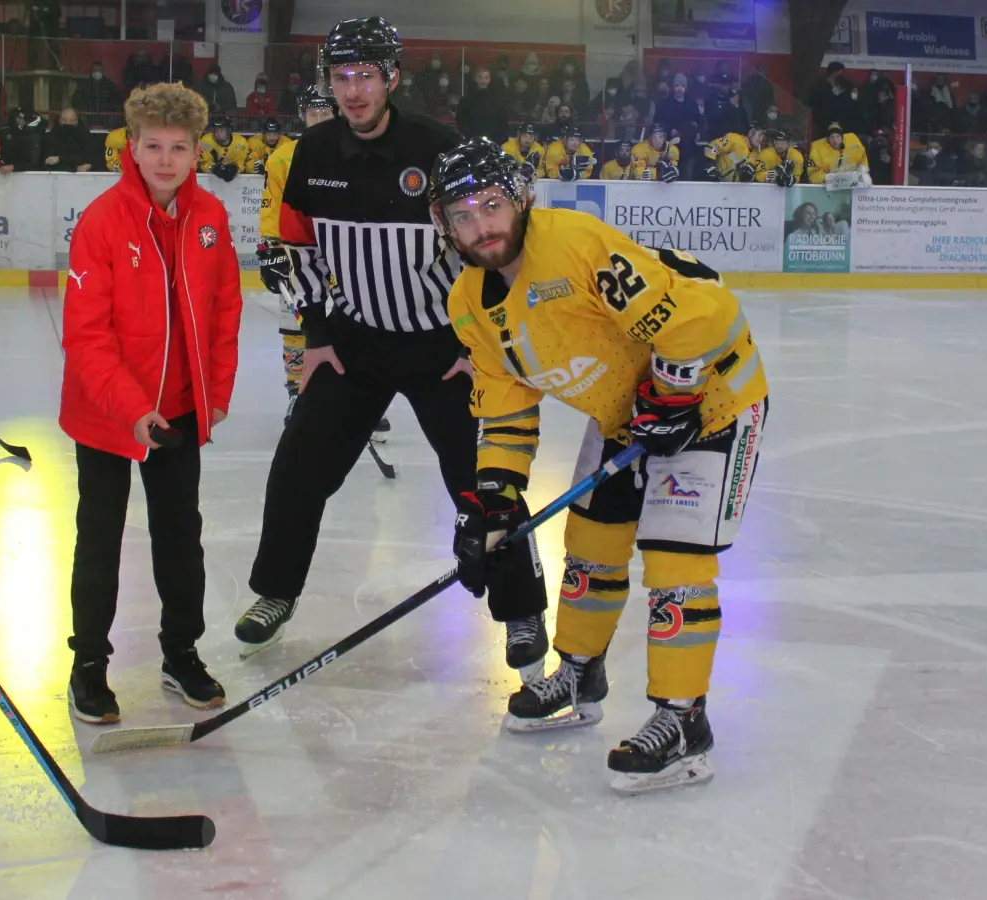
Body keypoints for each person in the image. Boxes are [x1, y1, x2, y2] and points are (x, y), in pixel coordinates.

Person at [430, 137, 768, 794]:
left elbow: (703, 311)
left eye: (492, 205)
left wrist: (673, 394)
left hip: (715, 399)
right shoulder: (468, 303)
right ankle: (580, 673)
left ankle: (682, 717)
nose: (482, 227)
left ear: (521, 199)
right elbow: (504, 407)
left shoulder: (575, 245)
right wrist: (495, 503)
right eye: (463, 215)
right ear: (443, 225)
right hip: (629, 412)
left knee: (674, 561)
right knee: (590, 546)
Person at [234, 18, 548, 671]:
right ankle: (276, 592)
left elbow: (489, 251)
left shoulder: (438, 148)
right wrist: (316, 333)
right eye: (341, 77)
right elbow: (300, 254)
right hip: (355, 343)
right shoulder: (309, 156)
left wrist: (479, 345)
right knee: (298, 469)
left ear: (392, 78)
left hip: (444, 347)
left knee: (487, 479)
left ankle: (519, 610)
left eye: (366, 76)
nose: (353, 90)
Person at [60, 83, 242, 724]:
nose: (166, 160)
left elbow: (224, 312)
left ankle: (181, 652)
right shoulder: (102, 222)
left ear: (197, 151)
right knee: (100, 538)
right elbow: (86, 334)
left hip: (183, 410)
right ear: (130, 148)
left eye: (180, 147)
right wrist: (131, 407)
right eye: (153, 146)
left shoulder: (212, 219)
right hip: (106, 412)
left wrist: (214, 393)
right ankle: (88, 664)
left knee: (179, 536)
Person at [258, 86, 335, 425]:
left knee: (356, 324)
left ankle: (355, 394)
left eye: (325, 112)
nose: (319, 118)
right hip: (297, 252)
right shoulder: (282, 158)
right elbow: (271, 206)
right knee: (295, 323)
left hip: (344, 252)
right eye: (312, 112)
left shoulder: (355, 151)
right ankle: (297, 392)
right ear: (303, 115)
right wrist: (270, 249)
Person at [198, 114, 248, 181]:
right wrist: (213, 168)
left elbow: (242, 162)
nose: (218, 133)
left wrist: (235, 168)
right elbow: (204, 162)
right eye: (216, 130)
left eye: (222, 129)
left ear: (229, 130)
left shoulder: (240, 142)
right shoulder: (206, 141)